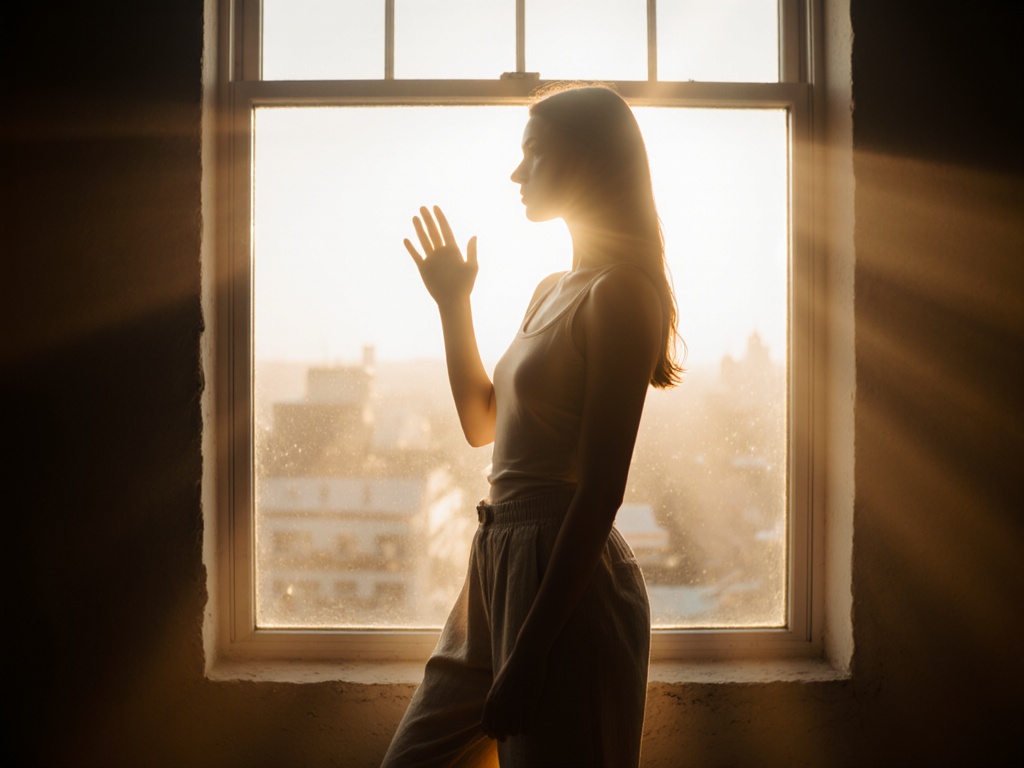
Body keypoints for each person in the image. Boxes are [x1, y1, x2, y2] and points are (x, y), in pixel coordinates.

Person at [381, 84, 682, 768]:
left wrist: (531, 652)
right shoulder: (552, 288)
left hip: (562, 580)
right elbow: (482, 424)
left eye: (535, 155)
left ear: (588, 163)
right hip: (496, 556)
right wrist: (454, 303)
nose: (517, 173)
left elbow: (601, 490)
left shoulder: (622, 294)